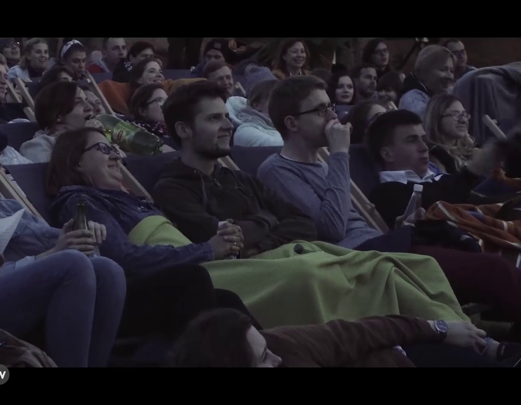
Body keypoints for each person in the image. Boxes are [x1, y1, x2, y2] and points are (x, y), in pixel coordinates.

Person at [149, 80, 470, 328]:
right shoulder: (173, 187)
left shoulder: (238, 178)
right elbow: (216, 236)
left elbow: (301, 224)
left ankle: (462, 332)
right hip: (260, 275)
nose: (228, 125)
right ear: (184, 130)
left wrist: (261, 232)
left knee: (415, 264)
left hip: (292, 257)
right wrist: (268, 221)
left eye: (225, 116)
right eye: (214, 118)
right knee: (379, 267)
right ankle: (441, 333)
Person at [256, 76, 521, 324]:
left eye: (330, 107)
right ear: (292, 123)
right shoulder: (277, 170)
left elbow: (352, 220)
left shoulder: (323, 163)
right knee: (494, 271)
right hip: (360, 260)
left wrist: (401, 225)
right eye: (321, 110)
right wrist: (339, 154)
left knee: (491, 259)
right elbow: (333, 229)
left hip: (383, 246)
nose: (333, 116)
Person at [0, 117, 126, 367]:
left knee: (108, 269)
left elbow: (58, 248)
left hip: (24, 293)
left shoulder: (10, 207)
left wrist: (78, 236)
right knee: (72, 263)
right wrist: (53, 254)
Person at [46, 126, 263, 339]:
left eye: (114, 148)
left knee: (226, 301)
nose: (116, 156)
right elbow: (124, 259)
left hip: (175, 272)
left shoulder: (129, 201)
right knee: (192, 280)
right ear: (77, 162)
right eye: (103, 149)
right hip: (119, 299)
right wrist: (208, 250)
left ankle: (265, 352)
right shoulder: (80, 201)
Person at [168, 309, 521, 367]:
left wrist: (438, 329)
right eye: (262, 360)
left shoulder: (281, 345)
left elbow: (358, 332)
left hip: (407, 356)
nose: (275, 358)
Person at [367, 109, 505, 228]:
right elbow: (436, 204)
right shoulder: (384, 193)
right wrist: (473, 169)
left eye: (423, 139)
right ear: (387, 154)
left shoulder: (441, 179)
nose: (424, 147)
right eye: (412, 140)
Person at [20, 81, 94, 163]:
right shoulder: (37, 146)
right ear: (58, 115)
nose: (90, 107)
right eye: (78, 102)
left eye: (86, 101)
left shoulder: (97, 137)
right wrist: (89, 140)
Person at [399, 45, 455, 120]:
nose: (449, 76)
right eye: (443, 69)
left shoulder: (451, 92)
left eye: (452, 71)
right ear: (423, 73)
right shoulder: (411, 99)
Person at [423, 94, 475, 174]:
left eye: (464, 114)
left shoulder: (470, 150)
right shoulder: (432, 156)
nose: (463, 120)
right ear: (437, 119)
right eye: (455, 114)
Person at [232, 79, 284, 147]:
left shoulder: (287, 127)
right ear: (257, 105)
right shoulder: (245, 131)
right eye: (276, 100)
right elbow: (283, 148)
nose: (283, 104)